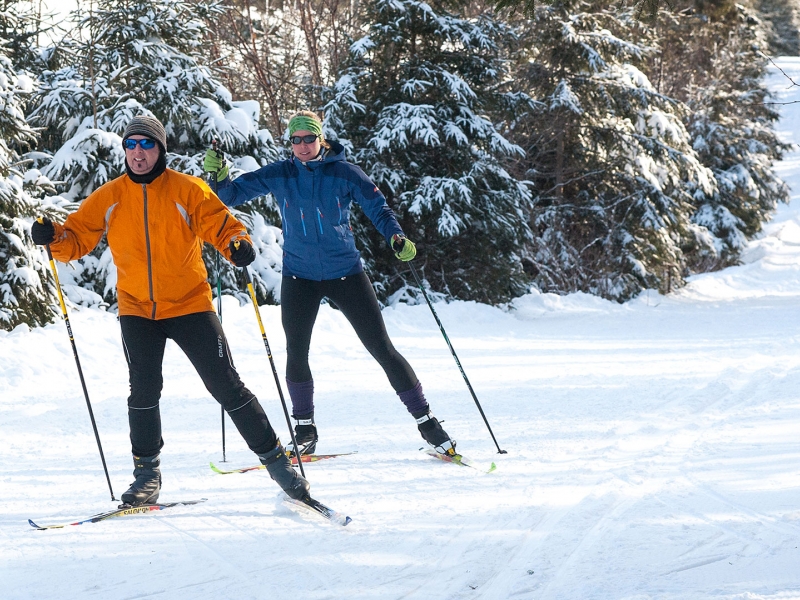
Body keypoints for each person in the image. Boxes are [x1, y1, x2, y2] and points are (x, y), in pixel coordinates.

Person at [31, 115, 309, 506]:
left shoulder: (186, 189)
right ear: (125, 150)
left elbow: (222, 225)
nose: (138, 153)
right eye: (131, 145)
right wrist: (52, 236)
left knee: (225, 384)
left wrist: (236, 245)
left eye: (146, 144)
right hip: (136, 309)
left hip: (189, 304)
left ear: (160, 149)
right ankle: (146, 475)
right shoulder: (110, 197)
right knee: (143, 390)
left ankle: (277, 462)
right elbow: (75, 239)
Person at [203, 110, 457, 458]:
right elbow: (228, 197)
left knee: (381, 347)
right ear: (290, 143)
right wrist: (218, 176)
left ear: (321, 140)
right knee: (296, 351)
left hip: (346, 273)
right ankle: (305, 429)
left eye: (309, 138)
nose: (303, 146)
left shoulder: (345, 173)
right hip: (299, 276)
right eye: (296, 140)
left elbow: (379, 209)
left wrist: (396, 236)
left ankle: (428, 422)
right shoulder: (281, 174)